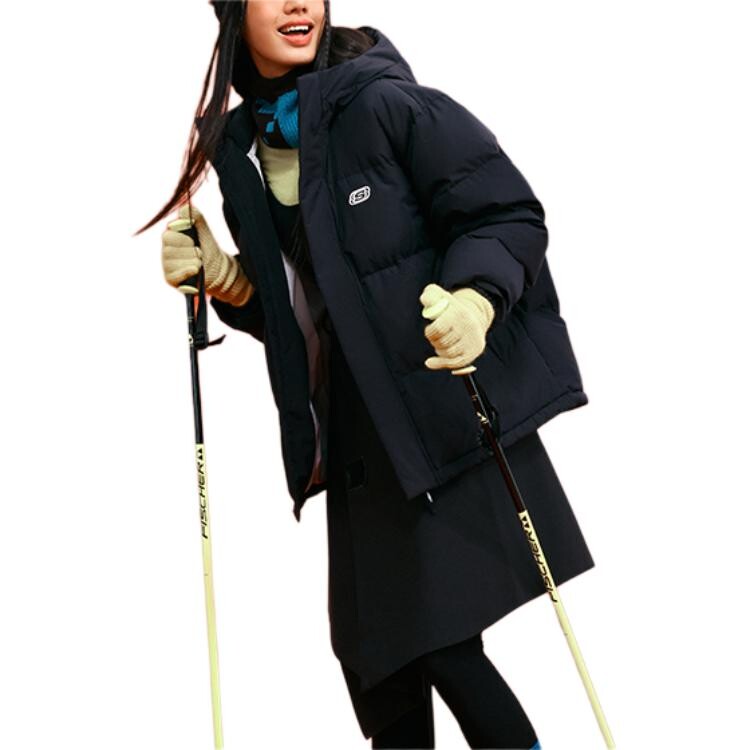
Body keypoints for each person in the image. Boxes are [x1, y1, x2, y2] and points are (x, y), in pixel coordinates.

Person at [136, 2, 596, 747]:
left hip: (432, 423)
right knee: (379, 672)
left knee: (439, 641)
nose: (299, 4)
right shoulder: (244, 154)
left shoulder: (382, 103)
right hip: (354, 442)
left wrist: (476, 300)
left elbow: (505, 213)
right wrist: (231, 284)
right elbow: (308, 316)